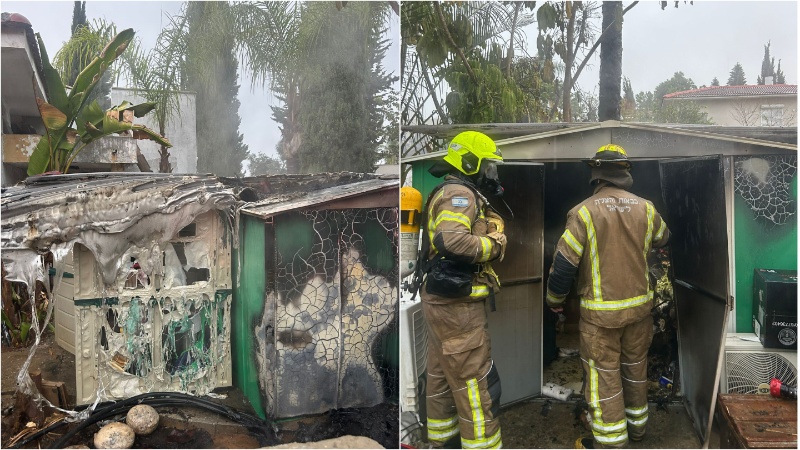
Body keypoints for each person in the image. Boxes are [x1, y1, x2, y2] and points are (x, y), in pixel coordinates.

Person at [545, 144, 670, 449]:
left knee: (605, 379)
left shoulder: (583, 212)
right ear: (626, 173)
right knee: (635, 371)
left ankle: (612, 443)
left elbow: (563, 266)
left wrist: (554, 301)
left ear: (596, 173)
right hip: (640, 312)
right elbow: (663, 238)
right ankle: (638, 430)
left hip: (601, 318)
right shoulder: (647, 208)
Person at [418, 131, 507, 449]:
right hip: (458, 309)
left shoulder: (451, 191)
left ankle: (443, 443)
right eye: (489, 166)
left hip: (441, 304)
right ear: (470, 162)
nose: (492, 174)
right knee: (476, 385)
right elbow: (451, 240)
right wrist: (494, 244)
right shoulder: (460, 194)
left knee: (440, 380)